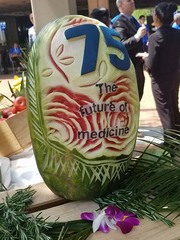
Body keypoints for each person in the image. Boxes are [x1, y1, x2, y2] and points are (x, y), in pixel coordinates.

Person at [143, 2, 180, 145]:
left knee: (165, 111)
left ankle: (170, 144)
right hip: (174, 75)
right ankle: (177, 138)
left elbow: (151, 64)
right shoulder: (177, 33)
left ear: (157, 17)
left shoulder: (155, 37)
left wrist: (145, 59)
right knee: (174, 107)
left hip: (160, 79)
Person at [112, 0, 147, 101]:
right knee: (131, 102)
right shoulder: (119, 22)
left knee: (137, 99)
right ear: (121, 5)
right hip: (129, 70)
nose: (132, 1)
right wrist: (137, 36)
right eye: (128, 0)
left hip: (138, 67)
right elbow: (121, 45)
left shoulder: (133, 20)